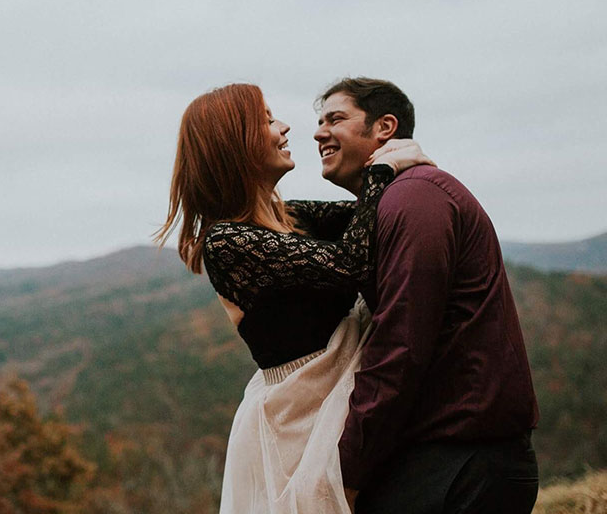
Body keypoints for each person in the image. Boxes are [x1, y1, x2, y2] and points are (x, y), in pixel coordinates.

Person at [155, 83, 433, 513]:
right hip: (298, 427)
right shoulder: (227, 241)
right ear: (236, 142)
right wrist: (380, 171)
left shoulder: (293, 216)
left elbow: (380, 217)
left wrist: (400, 170)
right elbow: (352, 264)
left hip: (340, 404)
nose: (284, 128)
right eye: (267, 120)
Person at [313, 77, 540, 514]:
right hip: (443, 458)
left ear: (385, 127)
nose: (319, 133)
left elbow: (400, 343)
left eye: (335, 119)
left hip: (460, 463)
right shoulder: (393, 198)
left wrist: (351, 469)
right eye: (320, 122)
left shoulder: (414, 198)